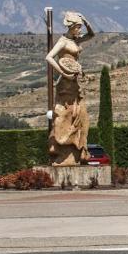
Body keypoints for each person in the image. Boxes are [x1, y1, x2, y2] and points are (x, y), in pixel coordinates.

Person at [45, 12, 96, 165]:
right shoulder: (62, 42)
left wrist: (85, 20)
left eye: (80, 27)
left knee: (81, 116)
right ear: (71, 27)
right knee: (64, 114)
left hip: (75, 82)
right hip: (65, 83)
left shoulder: (76, 40)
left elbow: (92, 34)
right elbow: (48, 57)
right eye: (78, 27)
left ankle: (78, 149)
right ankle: (62, 152)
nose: (79, 30)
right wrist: (63, 72)